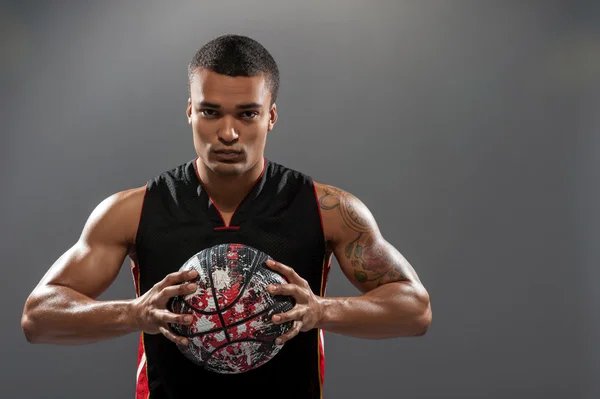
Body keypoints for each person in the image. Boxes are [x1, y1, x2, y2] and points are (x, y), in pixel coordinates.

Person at [21, 34, 432, 399]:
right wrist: (134, 314)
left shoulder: (326, 209)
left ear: (271, 116)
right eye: (211, 112)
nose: (229, 133)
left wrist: (321, 311)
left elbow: (415, 310)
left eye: (247, 114)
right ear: (190, 112)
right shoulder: (134, 210)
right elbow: (38, 317)